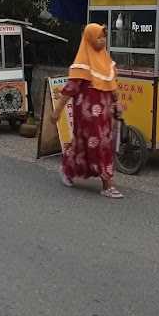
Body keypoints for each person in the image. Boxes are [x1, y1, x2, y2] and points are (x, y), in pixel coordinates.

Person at [51, 23, 123, 199]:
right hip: (87, 116)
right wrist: (58, 110)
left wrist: (118, 103)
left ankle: (68, 168)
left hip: (105, 116)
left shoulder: (106, 61)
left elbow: (112, 85)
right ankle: (107, 184)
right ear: (90, 39)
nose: (103, 40)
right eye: (99, 37)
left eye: (104, 37)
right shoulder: (82, 64)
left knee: (85, 146)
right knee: (99, 145)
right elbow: (70, 89)